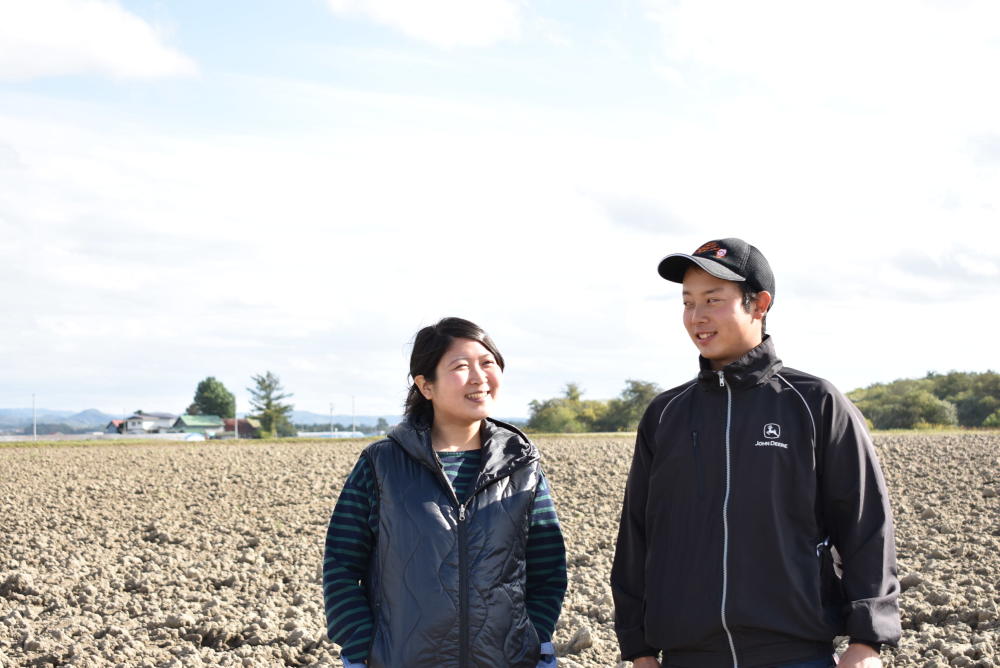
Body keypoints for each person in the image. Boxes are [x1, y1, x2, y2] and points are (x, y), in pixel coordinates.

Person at [611, 238, 901, 668]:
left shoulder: (814, 402)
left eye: (713, 300)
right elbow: (637, 535)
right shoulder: (665, 414)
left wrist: (867, 641)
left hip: (793, 652)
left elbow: (865, 523)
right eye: (688, 302)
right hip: (687, 656)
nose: (697, 317)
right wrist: (637, 650)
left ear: (759, 305)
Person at [323, 317, 567, 667]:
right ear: (426, 386)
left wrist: (535, 636)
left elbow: (548, 569)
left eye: (487, 363)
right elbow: (341, 565)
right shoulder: (382, 465)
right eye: (461, 366)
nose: (479, 377)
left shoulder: (521, 466)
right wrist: (363, 646)